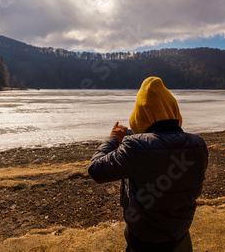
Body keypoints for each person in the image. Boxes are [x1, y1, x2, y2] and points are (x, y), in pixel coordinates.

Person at [88, 76, 208, 252]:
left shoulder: (135, 147)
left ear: (140, 114)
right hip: (180, 234)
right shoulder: (198, 145)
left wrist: (113, 138)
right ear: (173, 110)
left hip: (143, 241)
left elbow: (96, 170)